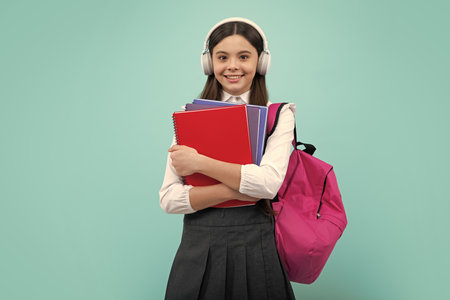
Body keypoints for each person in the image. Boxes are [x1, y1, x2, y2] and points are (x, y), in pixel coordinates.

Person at [159, 17, 296, 300]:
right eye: (222, 57)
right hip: (199, 251)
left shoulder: (279, 115)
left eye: (243, 56)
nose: (232, 65)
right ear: (209, 63)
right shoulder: (187, 117)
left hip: (258, 247)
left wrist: (200, 164)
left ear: (261, 62)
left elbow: (268, 186)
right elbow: (169, 199)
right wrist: (244, 188)